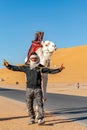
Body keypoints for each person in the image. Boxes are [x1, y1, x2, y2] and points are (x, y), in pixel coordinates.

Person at [3, 52, 65, 125]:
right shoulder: (26, 67)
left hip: (38, 89)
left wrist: (59, 69)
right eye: (32, 58)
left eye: (35, 58)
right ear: (30, 59)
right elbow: (16, 68)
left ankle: (40, 119)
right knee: (29, 104)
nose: (34, 60)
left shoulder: (40, 67)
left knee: (40, 104)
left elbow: (50, 71)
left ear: (37, 59)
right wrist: (8, 66)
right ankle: (32, 118)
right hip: (29, 89)